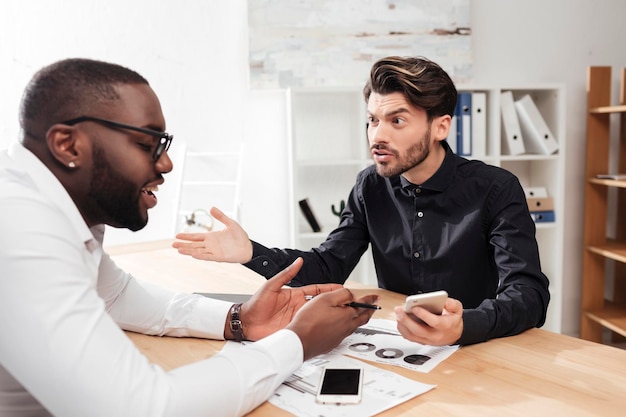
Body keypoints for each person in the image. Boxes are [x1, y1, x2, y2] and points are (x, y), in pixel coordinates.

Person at [0, 58, 378, 417]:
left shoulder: (51, 207)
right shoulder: (18, 228)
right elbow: (145, 407)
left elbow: (114, 295)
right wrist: (297, 341)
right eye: (148, 144)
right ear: (68, 145)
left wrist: (240, 319)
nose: (166, 163)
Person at [173, 56, 551, 347]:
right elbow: (330, 264)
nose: (377, 135)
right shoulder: (369, 185)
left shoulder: (496, 188)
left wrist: (466, 324)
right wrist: (250, 251)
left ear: (440, 126)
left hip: (480, 348)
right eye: (372, 121)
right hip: (399, 346)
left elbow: (529, 295)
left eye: (396, 121)